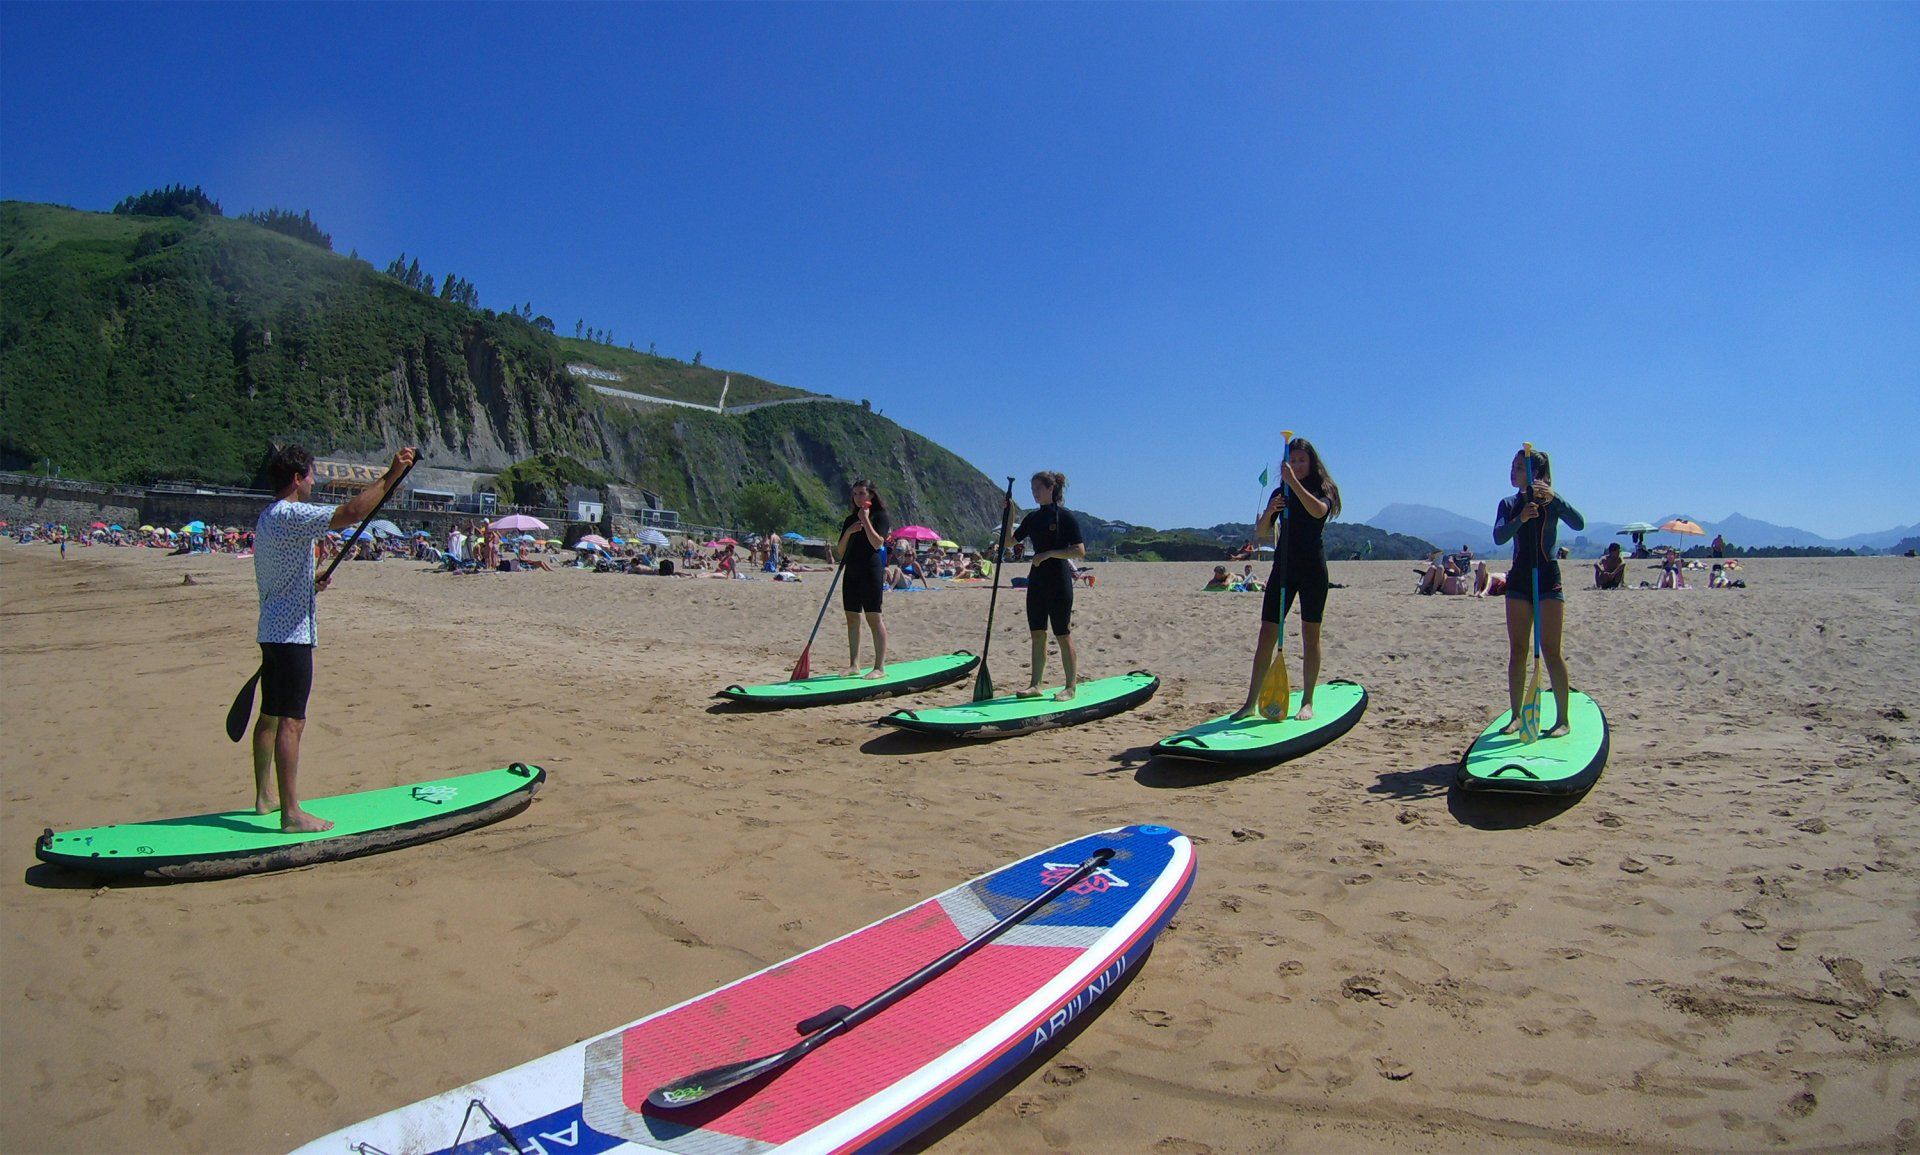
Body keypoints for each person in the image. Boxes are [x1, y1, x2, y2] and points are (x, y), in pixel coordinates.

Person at [252, 443, 417, 832]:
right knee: (291, 722)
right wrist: (391, 474)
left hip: (272, 629)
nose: (313, 481)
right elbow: (352, 513)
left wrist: (310, 584)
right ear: (296, 479)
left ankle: (264, 797)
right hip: (292, 636)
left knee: (270, 716)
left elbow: (280, 578)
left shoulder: (268, 517)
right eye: (310, 475)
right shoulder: (292, 513)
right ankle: (291, 814)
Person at [1231, 437, 1341, 721]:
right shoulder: (1281, 492)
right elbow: (1262, 531)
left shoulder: (1323, 489)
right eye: (1292, 461)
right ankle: (1250, 702)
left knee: (1309, 635)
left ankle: (1307, 701)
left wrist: (1294, 485)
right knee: (1266, 634)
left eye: (1302, 461)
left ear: (1312, 462)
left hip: (1313, 570)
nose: (1297, 465)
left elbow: (1319, 512)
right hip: (1283, 569)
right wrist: (1271, 510)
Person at [1494, 446, 1584, 738]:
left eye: (1520, 468)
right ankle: (1517, 716)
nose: (1513, 471)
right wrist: (1521, 518)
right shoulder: (1508, 504)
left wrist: (1554, 498)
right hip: (1519, 579)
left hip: (1547, 577)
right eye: (1513, 466)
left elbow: (1579, 523)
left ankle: (1562, 720)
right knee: (1518, 650)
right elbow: (1498, 536)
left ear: (1537, 474)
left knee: (1551, 650)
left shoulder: (1551, 503)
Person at [1005, 470, 1086, 699]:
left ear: (1051, 488)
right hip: (1037, 581)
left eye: (1038, 489)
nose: (1034, 493)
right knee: (1037, 634)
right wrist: (1009, 513)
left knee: (1062, 633)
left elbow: (1079, 551)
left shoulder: (1065, 517)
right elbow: (1010, 541)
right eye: (1032, 490)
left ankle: (1070, 687)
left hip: (1059, 581)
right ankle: (1035, 685)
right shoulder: (1032, 518)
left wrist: (1049, 553)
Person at [836, 479, 890, 678]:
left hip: (871, 569)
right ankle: (854, 664)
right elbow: (841, 550)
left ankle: (879, 667)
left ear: (871, 495)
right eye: (855, 494)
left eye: (861, 493)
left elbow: (877, 543)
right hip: (851, 570)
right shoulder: (849, 520)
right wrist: (849, 532)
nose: (858, 497)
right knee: (852, 617)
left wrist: (866, 521)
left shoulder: (880, 516)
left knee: (873, 617)